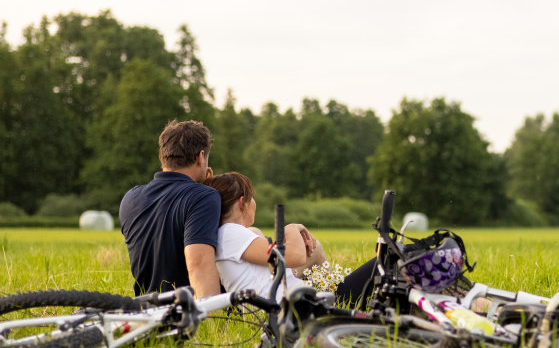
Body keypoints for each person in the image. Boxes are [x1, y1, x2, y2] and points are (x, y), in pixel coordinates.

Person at [201, 171, 378, 305]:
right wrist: (291, 228)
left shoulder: (226, 234)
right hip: (296, 308)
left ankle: (333, 290)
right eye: (252, 198)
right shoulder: (231, 233)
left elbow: (273, 264)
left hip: (292, 304)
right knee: (388, 262)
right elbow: (295, 257)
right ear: (242, 203)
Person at [119, 120, 223, 296]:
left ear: (163, 156)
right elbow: (198, 264)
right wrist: (214, 321)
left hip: (146, 310)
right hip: (184, 313)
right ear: (201, 156)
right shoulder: (204, 196)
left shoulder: (131, 198)